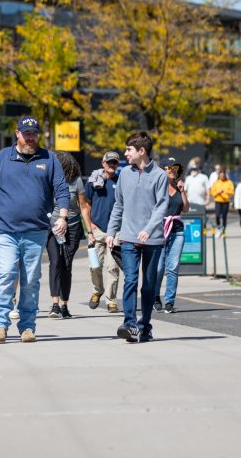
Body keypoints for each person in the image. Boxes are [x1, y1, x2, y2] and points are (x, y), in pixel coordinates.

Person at [0, 116, 69, 344]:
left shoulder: (49, 159)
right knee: (6, 273)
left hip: (36, 231)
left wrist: (63, 217)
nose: (31, 137)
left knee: (31, 280)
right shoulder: (2, 158)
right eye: (26, 133)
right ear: (17, 133)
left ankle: (27, 326)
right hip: (6, 229)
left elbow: (62, 189)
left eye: (34, 133)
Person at [106, 131, 168, 343]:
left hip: (152, 239)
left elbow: (161, 207)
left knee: (149, 285)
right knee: (130, 279)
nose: (125, 154)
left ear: (141, 151)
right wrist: (111, 231)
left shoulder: (159, 175)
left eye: (129, 150)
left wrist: (149, 229)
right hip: (129, 237)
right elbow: (119, 204)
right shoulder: (124, 174)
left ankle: (145, 326)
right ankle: (130, 324)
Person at [46, 151, 91, 319]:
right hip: (52, 227)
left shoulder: (76, 182)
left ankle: (65, 304)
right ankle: (55, 304)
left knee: (66, 264)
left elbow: (83, 206)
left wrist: (90, 230)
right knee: (55, 262)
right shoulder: (49, 181)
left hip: (72, 227)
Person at [83, 151, 122, 314]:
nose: (111, 165)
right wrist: (89, 228)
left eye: (114, 162)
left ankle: (111, 300)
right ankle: (97, 290)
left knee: (112, 267)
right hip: (96, 229)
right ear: (103, 163)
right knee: (94, 265)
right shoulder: (93, 182)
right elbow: (86, 206)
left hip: (117, 231)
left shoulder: (121, 181)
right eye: (109, 162)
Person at [154, 157, 189, 313]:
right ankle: (155, 296)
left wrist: (183, 192)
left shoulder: (179, 187)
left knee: (173, 267)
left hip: (177, 231)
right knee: (159, 268)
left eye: (175, 168)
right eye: (169, 168)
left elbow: (186, 208)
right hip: (160, 231)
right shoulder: (157, 188)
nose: (173, 171)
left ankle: (169, 301)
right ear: (163, 170)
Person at [210, 169, 234, 236]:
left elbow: (232, 191)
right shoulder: (216, 182)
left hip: (226, 201)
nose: (222, 177)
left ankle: (223, 231)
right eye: (221, 176)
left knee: (224, 217)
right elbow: (212, 193)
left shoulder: (229, 182)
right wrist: (217, 192)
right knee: (217, 215)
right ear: (219, 176)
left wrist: (226, 191)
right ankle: (218, 228)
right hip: (218, 201)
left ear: (225, 176)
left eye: (223, 175)